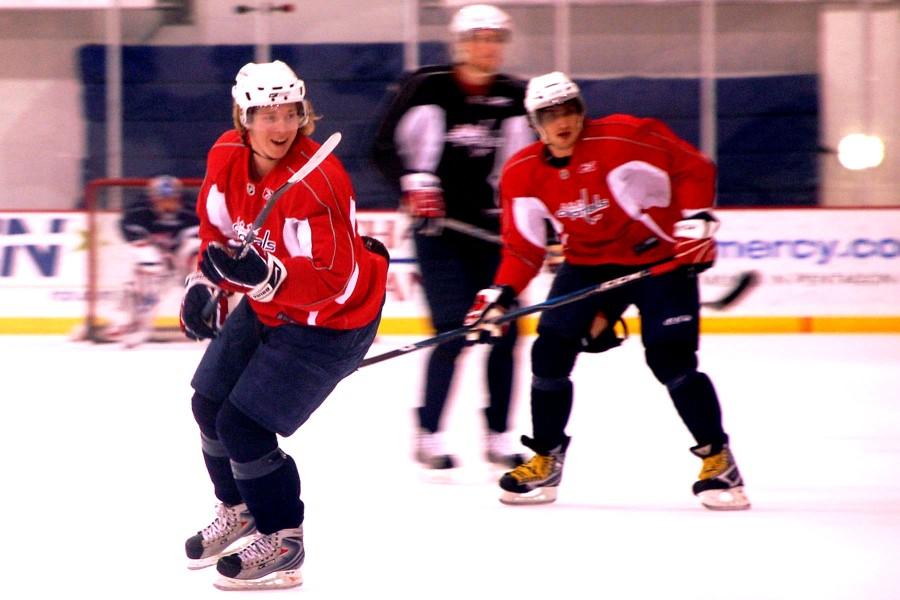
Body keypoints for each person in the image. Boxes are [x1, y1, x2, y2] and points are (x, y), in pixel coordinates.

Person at [464, 71, 751, 511]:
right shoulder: (522, 173)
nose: (563, 121)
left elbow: (693, 166)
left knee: (670, 358)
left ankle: (719, 459)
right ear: (534, 122)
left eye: (569, 110)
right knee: (550, 352)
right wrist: (500, 292)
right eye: (549, 115)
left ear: (581, 111)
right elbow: (523, 248)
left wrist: (696, 218)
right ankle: (545, 459)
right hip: (587, 265)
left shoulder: (624, 137)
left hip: (659, 259)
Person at [178, 60, 390, 590]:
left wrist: (266, 276)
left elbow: (335, 282)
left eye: (290, 113)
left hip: (332, 321)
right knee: (208, 403)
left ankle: (284, 540)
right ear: (242, 118)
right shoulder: (227, 154)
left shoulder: (318, 180)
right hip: (271, 304)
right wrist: (206, 283)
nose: (279, 127)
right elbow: (218, 231)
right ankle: (240, 509)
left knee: (245, 426)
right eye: (265, 114)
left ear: (304, 113)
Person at [371, 4, 534, 470]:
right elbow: (380, 146)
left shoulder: (515, 94)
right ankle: (429, 432)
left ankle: (500, 434)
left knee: (506, 331)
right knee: (453, 331)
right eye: (478, 38)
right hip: (438, 231)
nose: (488, 47)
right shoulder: (427, 85)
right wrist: (410, 180)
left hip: (493, 233)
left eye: (496, 38)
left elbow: (535, 165)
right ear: (460, 43)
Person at [102, 175, 200, 347]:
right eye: (162, 199)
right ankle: (131, 324)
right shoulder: (138, 212)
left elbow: (198, 240)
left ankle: (208, 320)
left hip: (179, 259)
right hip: (157, 259)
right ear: (152, 198)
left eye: (171, 198)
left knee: (197, 256)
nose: (166, 204)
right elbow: (136, 242)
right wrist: (156, 259)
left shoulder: (192, 212)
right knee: (145, 279)